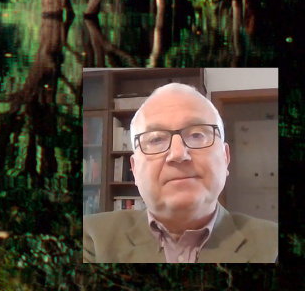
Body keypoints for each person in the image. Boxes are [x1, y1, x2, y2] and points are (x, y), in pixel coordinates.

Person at [83, 83, 277, 263]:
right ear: (134, 169)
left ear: (225, 157)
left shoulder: (274, 246)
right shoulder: (89, 238)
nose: (177, 154)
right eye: (156, 139)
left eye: (196, 135)